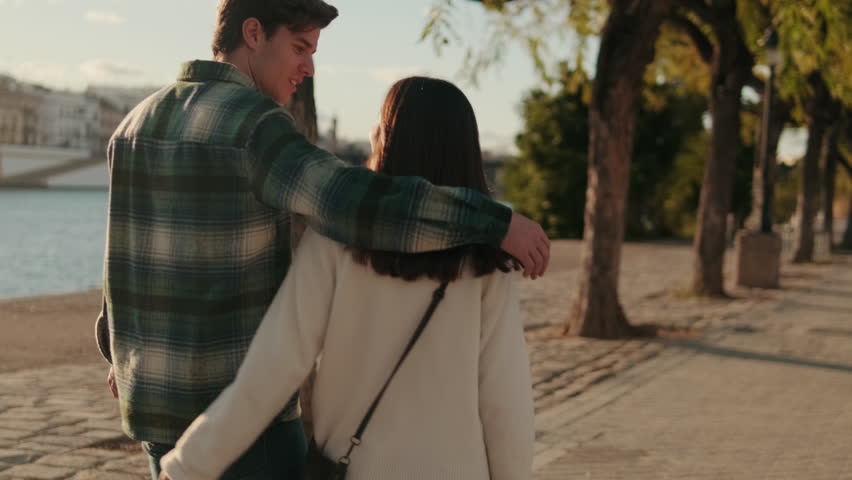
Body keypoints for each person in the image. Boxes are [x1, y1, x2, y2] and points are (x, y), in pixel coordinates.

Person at [97, 1, 548, 479]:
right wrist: (493, 220)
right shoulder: (255, 126)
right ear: (253, 33)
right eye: (300, 47)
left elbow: (121, 264)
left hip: (160, 411)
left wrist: (118, 354)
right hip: (249, 428)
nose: (308, 68)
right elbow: (350, 199)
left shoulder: (134, 126)